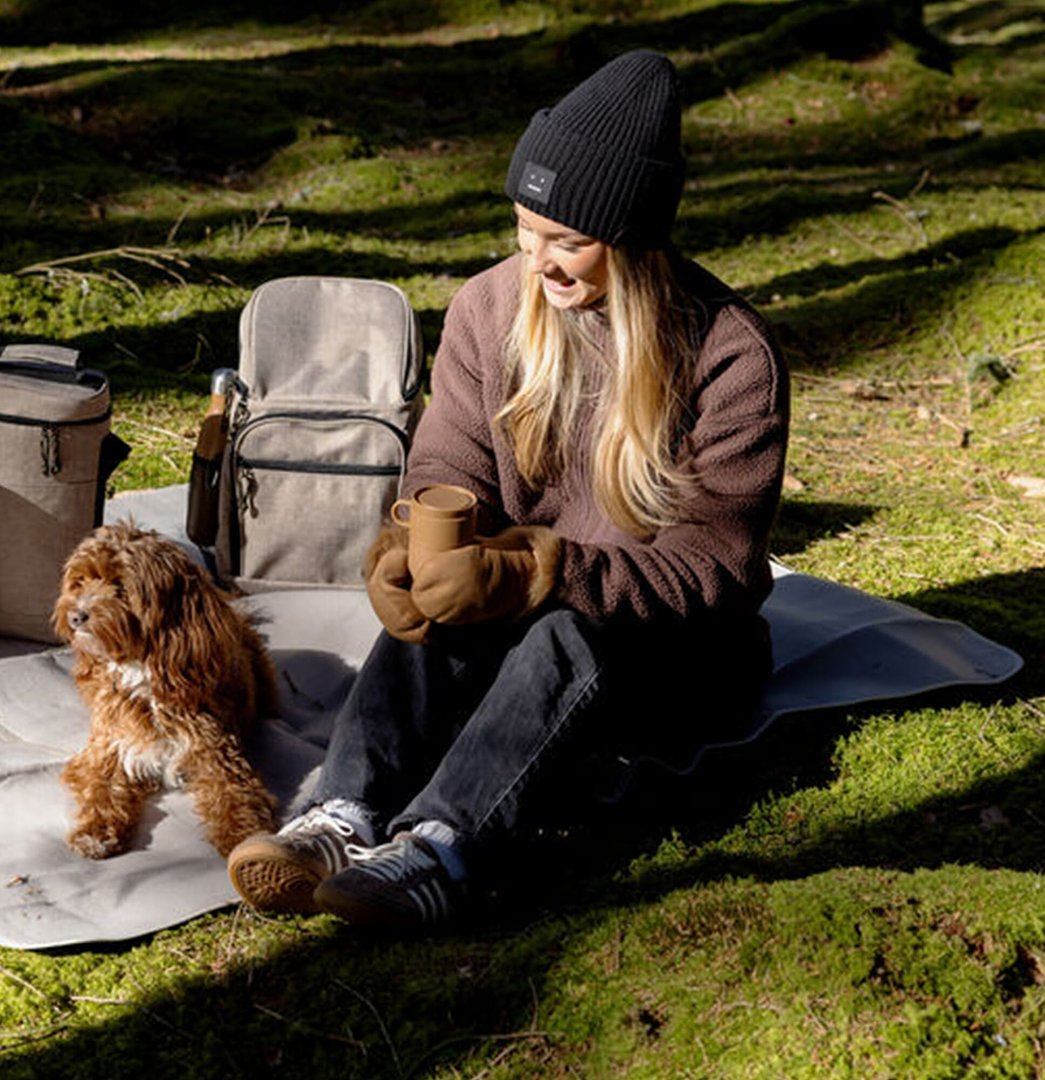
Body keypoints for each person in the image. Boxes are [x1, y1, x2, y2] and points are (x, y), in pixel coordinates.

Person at [227, 49, 789, 927]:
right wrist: (408, 550)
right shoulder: (490, 308)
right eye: (526, 232)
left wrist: (541, 572)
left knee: (563, 632)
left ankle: (440, 848)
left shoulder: (730, 356)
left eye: (568, 242)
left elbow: (711, 569)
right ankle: (342, 814)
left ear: (637, 240)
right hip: (523, 616)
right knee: (439, 612)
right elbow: (447, 466)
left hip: (667, 650)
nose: (541, 265)